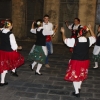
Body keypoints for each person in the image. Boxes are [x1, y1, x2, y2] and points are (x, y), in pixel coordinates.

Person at [61, 24, 96, 97]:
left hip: (76, 61)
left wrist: (63, 33)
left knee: (75, 75)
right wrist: (90, 29)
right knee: (81, 74)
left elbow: (65, 40)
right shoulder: (88, 40)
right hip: (85, 61)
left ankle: (77, 92)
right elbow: (94, 37)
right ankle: (79, 87)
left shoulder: (75, 40)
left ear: (78, 33)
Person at [0, 20, 24, 86]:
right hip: (9, 52)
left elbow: (2, 28)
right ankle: (13, 71)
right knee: (18, 59)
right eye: (12, 25)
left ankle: (2, 81)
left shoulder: (2, 31)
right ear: (10, 26)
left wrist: (5, 23)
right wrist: (19, 47)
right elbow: (14, 46)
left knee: (4, 65)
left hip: (2, 51)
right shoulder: (11, 34)